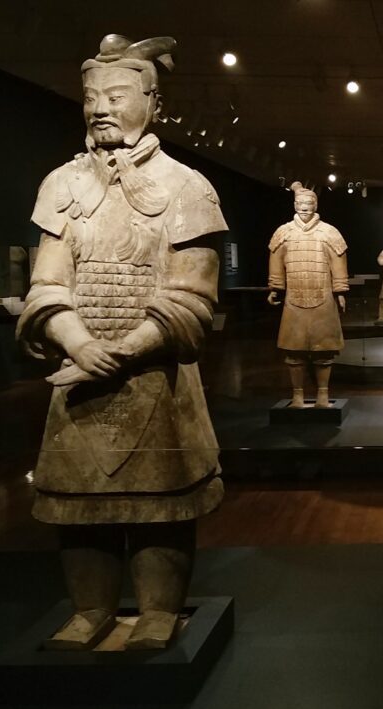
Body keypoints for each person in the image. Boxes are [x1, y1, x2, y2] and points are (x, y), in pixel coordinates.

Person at [16, 34, 226, 650]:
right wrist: (77, 343)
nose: (99, 108)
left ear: (151, 101)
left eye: (116, 95)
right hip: (75, 375)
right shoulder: (62, 184)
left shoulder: (187, 187)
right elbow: (45, 284)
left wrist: (125, 350)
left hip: (155, 375)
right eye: (90, 98)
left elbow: (193, 296)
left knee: (162, 507)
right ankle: (91, 609)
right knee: (81, 507)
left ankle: (159, 610)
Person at [267, 182, 349, 408]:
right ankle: (297, 396)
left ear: (316, 205)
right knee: (294, 352)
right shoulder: (283, 232)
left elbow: (338, 262)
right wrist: (275, 287)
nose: (304, 207)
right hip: (294, 299)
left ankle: (323, 395)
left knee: (324, 352)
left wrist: (340, 291)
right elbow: (276, 261)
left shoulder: (329, 232)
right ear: (294, 204)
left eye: (309, 203)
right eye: (300, 203)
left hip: (323, 298)